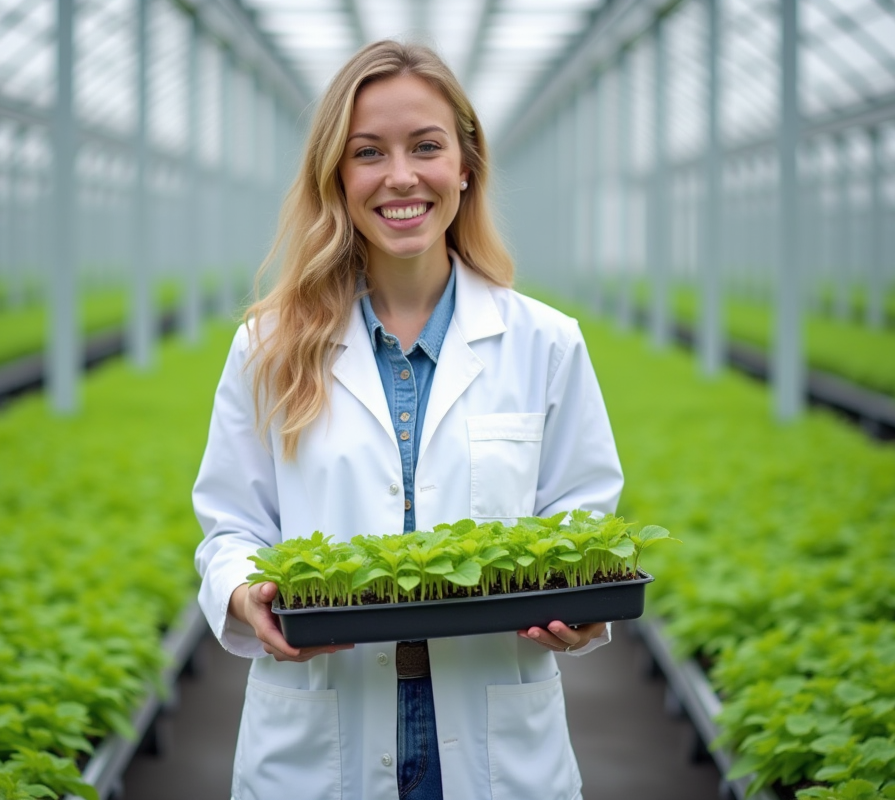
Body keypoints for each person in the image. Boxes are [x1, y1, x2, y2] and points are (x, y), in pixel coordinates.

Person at [193, 39, 624, 800]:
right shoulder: (268, 347)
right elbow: (231, 524)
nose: (400, 176)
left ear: (465, 164)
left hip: (496, 737)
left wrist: (582, 610)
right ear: (338, 175)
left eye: (425, 146)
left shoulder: (544, 342)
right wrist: (242, 593)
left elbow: (582, 515)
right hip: (322, 734)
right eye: (368, 152)